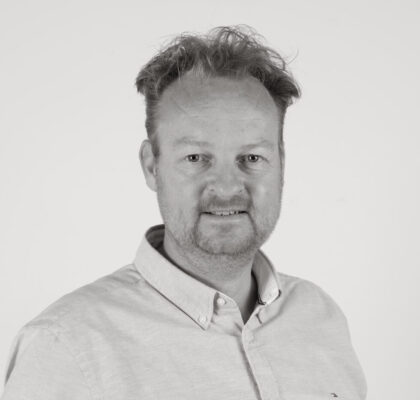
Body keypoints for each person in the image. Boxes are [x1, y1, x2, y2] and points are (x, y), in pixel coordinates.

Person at [1, 26, 367, 400]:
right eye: (195, 157)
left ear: (282, 164)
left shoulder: (320, 318)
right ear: (151, 166)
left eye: (252, 157)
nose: (227, 187)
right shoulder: (65, 350)